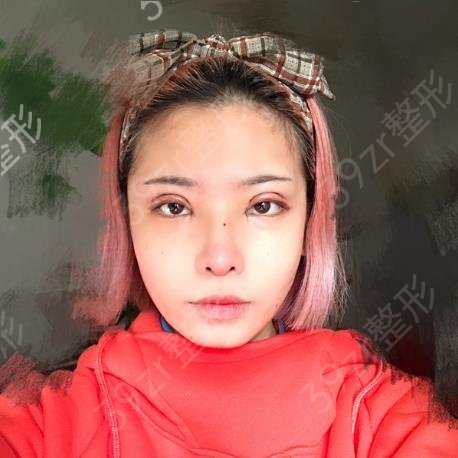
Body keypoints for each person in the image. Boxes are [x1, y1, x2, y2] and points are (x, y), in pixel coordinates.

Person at [0, 28, 457, 457]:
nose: (220, 259)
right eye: (173, 207)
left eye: (263, 205)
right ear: (128, 222)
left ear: (309, 222)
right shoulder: (53, 424)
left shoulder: (376, 417)